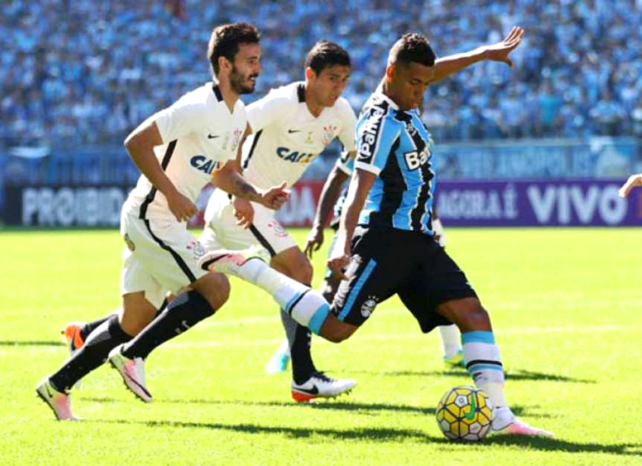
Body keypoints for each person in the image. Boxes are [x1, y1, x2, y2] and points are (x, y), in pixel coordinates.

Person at [192, 27, 554, 437]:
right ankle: (249, 268)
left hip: (420, 242)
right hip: (384, 240)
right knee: (334, 329)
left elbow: (435, 71)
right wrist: (343, 242)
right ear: (391, 73)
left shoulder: (408, 95)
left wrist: (483, 54)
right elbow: (358, 185)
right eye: (414, 83)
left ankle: (500, 416)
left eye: (424, 82)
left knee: (473, 314)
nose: (421, 91)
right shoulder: (378, 120)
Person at [36, 23, 289, 420]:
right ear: (224, 64)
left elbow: (223, 173)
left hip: (160, 220)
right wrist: (171, 192)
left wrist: (256, 195)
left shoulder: (237, 115)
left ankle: (57, 386)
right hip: (151, 216)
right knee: (215, 287)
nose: (258, 68)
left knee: (133, 320)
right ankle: (134, 356)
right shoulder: (195, 107)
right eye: (250, 61)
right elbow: (136, 141)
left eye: (259, 60)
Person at [200, 41, 358, 402]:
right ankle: (304, 377)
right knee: (299, 271)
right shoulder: (281, 102)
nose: (339, 87)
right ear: (310, 75)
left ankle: (95, 336)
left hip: (258, 210)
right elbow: (236, 129)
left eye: (345, 80)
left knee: (191, 293)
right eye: (332, 78)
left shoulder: (342, 113)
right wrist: (240, 192)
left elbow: (357, 156)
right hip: (240, 207)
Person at [295, 150, 464, 370]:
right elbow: (337, 177)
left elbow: (419, 188)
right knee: (330, 293)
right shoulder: (367, 137)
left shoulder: (416, 135)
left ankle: (452, 350)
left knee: (437, 283)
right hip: (360, 222)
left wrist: (434, 222)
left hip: (402, 228)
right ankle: (291, 350)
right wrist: (318, 227)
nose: (418, 113)